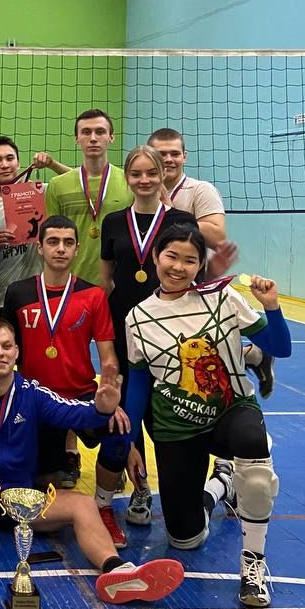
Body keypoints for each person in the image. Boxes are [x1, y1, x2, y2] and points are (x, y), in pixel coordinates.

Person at [0, 318, 185, 607]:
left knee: (82, 504)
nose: (0, 353)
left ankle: (117, 571)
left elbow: (72, 412)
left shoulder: (32, 393)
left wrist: (101, 409)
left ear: (16, 351)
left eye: (6, 346)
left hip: (21, 501)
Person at [122, 224, 291, 608]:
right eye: (171, 256)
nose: (178, 267)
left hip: (230, 409)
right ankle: (220, 486)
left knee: (255, 454)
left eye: (190, 260)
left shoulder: (223, 298)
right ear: (156, 257)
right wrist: (128, 444)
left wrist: (271, 306)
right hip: (176, 426)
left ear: (201, 265)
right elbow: (138, 386)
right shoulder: (138, 318)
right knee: (186, 539)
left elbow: (281, 346)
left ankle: (253, 565)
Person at [2, 216, 124, 545]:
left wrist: (111, 396)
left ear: (77, 249)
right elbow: (5, 347)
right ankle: (55, 467)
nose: (60, 249)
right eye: (53, 242)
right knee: (42, 491)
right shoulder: (18, 293)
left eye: (68, 243)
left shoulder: (93, 295)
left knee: (119, 432)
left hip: (82, 396)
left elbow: (108, 357)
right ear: (39, 247)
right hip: (37, 400)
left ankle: (104, 507)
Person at [99, 145, 199, 528]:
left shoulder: (181, 221)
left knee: (169, 404)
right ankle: (140, 487)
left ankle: (177, 483)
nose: (144, 180)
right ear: (127, 178)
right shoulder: (113, 222)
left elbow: (191, 273)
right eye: (136, 174)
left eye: (151, 173)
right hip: (124, 326)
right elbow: (107, 280)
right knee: (129, 408)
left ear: (162, 175)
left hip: (169, 329)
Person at [147, 127, 275, 398]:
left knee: (198, 357)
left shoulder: (199, 190)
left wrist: (169, 211)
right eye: (161, 154)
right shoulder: (141, 188)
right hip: (151, 285)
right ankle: (252, 355)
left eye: (174, 154)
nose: (168, 159)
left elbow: (217, 236)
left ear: (184, 156)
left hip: (190, 287)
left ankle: (253, 357)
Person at [0, 135, 70, 318]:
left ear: (18, 163)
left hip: (36, 296)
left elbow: (81, 181)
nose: (5, 165)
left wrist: (52, 164)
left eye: (10, 158)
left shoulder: (38, 192)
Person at [43, 109, 133, 288]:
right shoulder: (57, 185)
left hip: (119, 283)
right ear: (76, 138)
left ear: (111, 137)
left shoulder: (129, 182)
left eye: (100, 132)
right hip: (71, 284)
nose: (93, 138)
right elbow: (50, 238)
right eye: (86, 132)